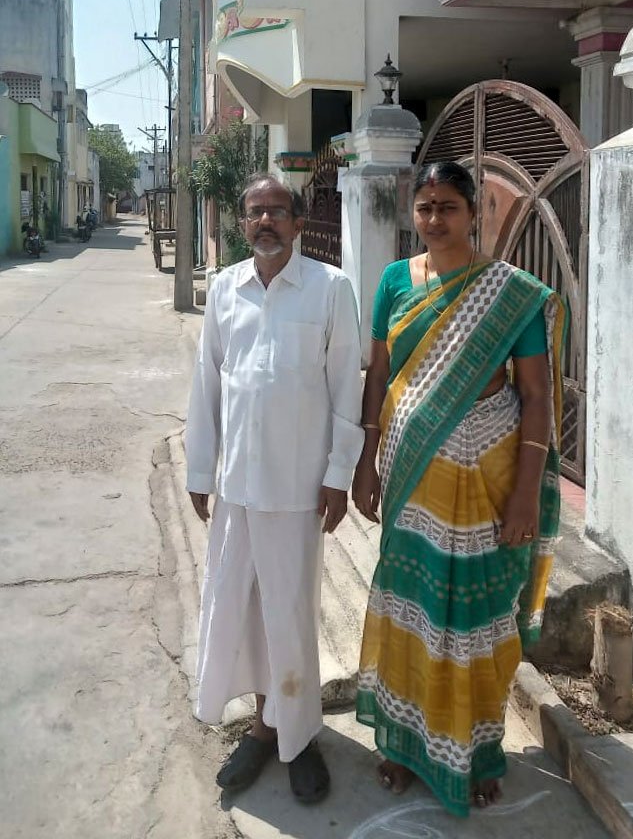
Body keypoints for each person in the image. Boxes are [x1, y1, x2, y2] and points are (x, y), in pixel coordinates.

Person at [352, 161, 565, 818]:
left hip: (491, 475)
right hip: (413, 471)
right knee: (410, 606)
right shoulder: (394, 281)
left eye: (447, 206)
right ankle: (404, 742)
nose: (434, 219)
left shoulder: (511, 293)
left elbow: (534, 396)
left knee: (476, 619)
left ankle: (475, 752)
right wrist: (366, 459)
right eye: (423, 207)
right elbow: (379, 375)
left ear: (476, 215)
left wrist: (527, 494)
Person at [185, 173, 364, 804]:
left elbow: (348, 389)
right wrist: (200, 472)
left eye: (277, 212)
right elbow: (207, 384)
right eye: (256, 212)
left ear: (297, 221)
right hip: (236, 487)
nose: (266, 222)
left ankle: (299, 737)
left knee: (288, 614)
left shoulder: (330, 288)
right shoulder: (225, 289)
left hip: (297, 489)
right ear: (242, 224)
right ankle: (265, 730)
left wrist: (338, 477)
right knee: (244, 611)